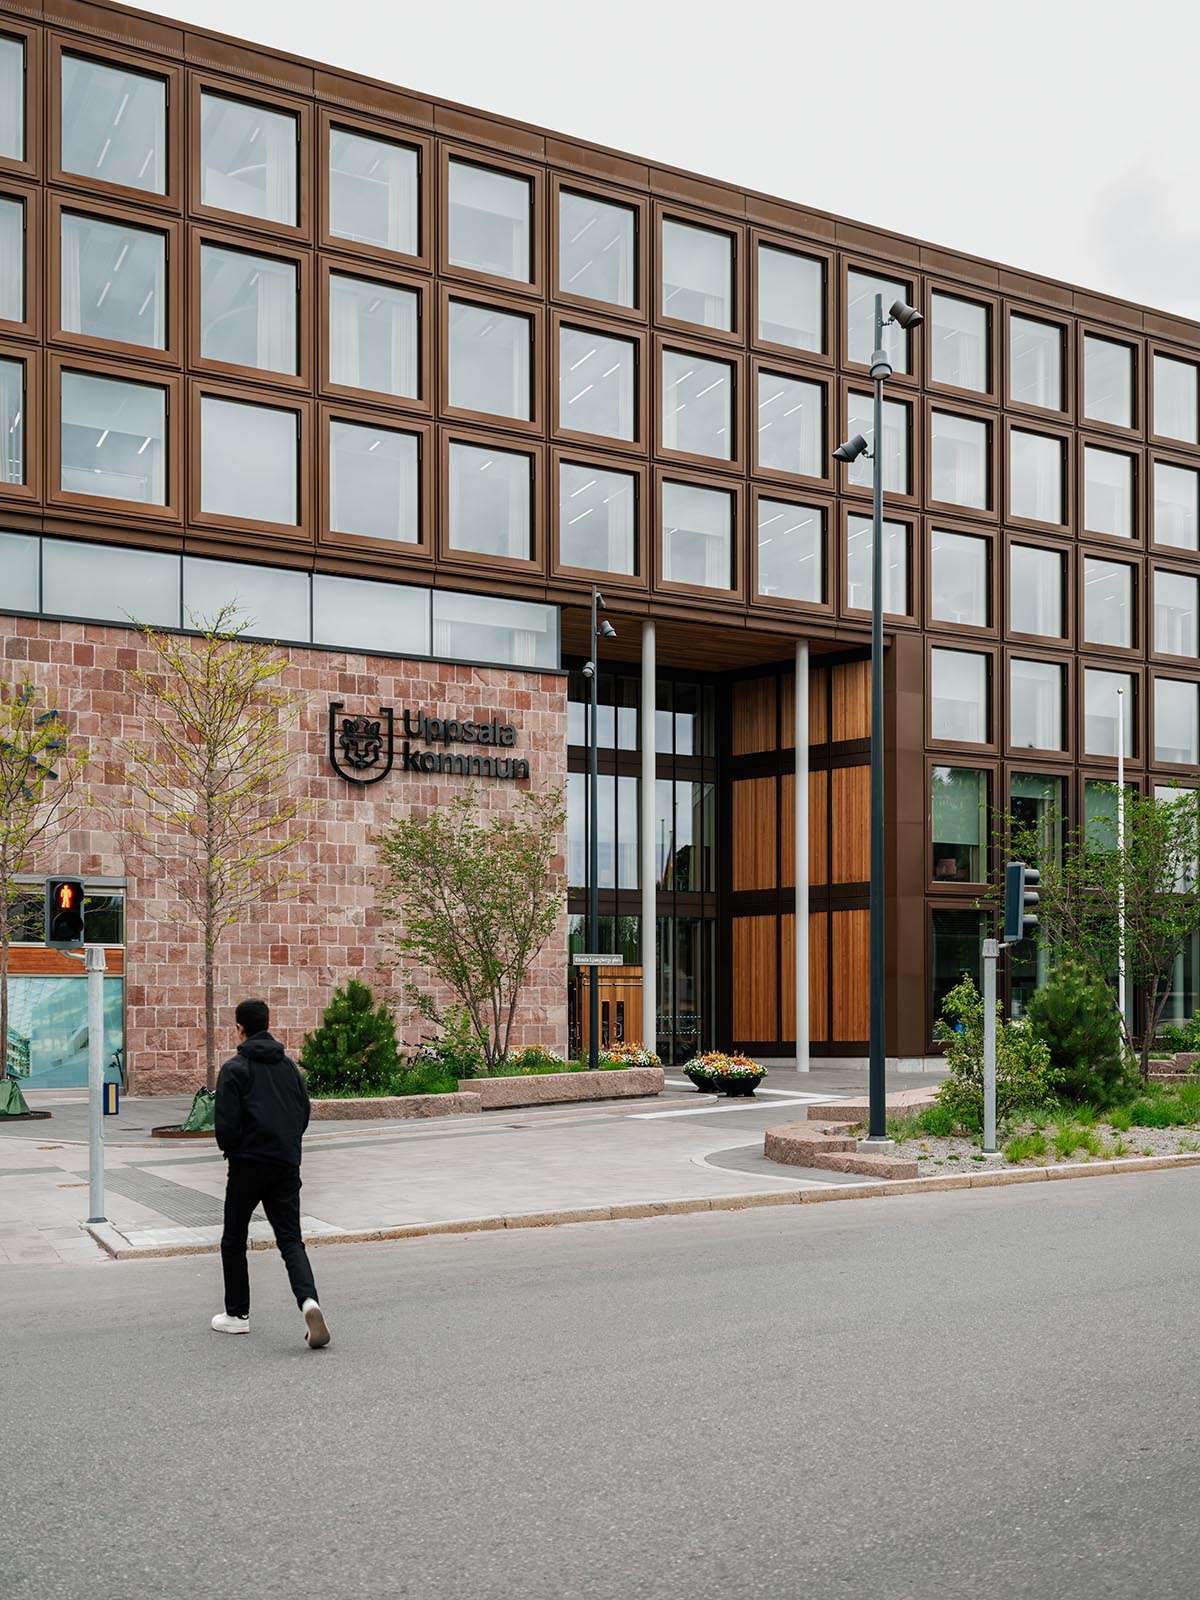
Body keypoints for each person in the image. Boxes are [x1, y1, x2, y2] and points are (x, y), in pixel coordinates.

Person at [211, 999, 331, 1348]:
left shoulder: (235, 1069)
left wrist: (235, 1150)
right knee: (291, 1240)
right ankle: (309, 1302)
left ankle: (237, 1315)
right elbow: (303, 1114)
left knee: (234, 1238)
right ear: (268, 1023)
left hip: (247, 1166)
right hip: (285, 1165)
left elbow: (225, 1128)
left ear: (239, 1029)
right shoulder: (290, 1069)